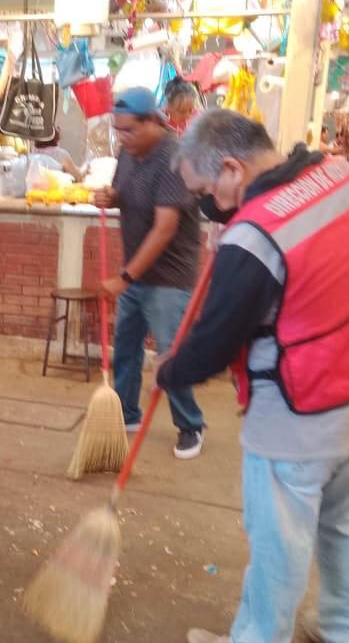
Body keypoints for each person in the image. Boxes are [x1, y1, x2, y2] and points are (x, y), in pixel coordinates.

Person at [157, 110, 349, 643]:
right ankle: (347, 629)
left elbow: (215, 342)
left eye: (207, 192)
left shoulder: (254, 235)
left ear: (232, 169)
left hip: (299, 418)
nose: (209, 207)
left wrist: (171, 369)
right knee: (345, 527)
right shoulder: (340, 177)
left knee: (278, 550)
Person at [92, 86, 206, 459]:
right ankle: (127, 413)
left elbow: (165, 228)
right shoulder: (129, 153)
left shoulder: (174, 158)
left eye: (129, 130)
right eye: (118, 130)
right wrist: (111, 197)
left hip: (169, 278)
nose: (122, 138)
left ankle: (190, 425)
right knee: (126, 347)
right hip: (136, 273)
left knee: (170, 356)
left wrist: (124, 278)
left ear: (154, 122)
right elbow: (125, 192)